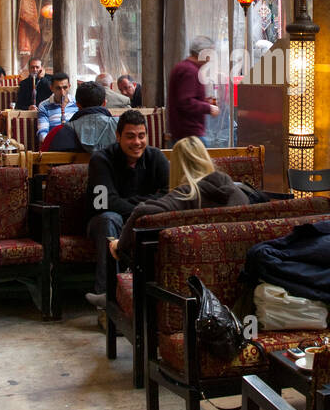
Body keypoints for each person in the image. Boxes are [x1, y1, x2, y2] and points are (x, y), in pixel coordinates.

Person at [110, 136, 258, 262]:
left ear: (176, 166)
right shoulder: (238, 192)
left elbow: (143, 210)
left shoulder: (186, 194)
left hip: (187, 276)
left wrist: (120, 245)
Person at [84, 110, 170, 308]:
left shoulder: (156, 157)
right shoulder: (100, 160)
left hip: (142, 222)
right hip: (102, 223)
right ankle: (107, 299)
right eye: (130, 136)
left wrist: (137, 208)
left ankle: (154, 301)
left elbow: (169, 195)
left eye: (141, 136)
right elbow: (104, 202)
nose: (137, 142)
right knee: (109, 219)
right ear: (118, 136)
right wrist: (147, 204)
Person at [167, 36, 219, 143]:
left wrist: (204, 101)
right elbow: (186, 102)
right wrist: (209, 108)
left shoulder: (185, 68)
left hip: (184, 132)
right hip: (189, 134)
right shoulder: (190, 71)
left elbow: (185, 98)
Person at [43, 82, 117, 152]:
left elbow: (43, 160)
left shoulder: (57, 132)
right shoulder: (120, 127)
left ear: (77, 104)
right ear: (104, 103)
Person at [36, 71, 76, 143]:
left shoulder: (77, 103)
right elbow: (42, 133)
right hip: (54, 146)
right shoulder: (44, 106)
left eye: (65, 87)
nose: (62, 92)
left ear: (69, 86)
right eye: (58, 88)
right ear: (51, 88)